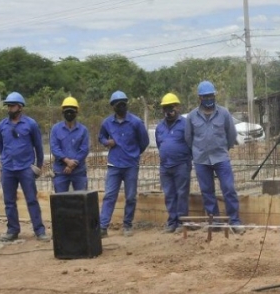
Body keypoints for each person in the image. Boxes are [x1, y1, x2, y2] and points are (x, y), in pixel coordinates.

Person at [184, 81, 245, 234]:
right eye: (205, 96)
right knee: (207, 191)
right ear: (200, 98)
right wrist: (197, 152)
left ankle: (234, 221)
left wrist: (224, 149)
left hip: (221, 158)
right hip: (201, 160)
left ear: (214, 96)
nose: (208, 99)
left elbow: (231, 135)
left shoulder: (224, 113)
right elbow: (188, 138)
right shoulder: (192, 116)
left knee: (229, 189)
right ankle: (215, 221)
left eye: (211, 95)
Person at [0, 92, 50, 242]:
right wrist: (5, 160)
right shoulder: (1, 126)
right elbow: (1, 146)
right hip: (8, 169)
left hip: (26, 168)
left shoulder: (30, 124)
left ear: (20, 107)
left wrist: (37, 167)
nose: (9, 108)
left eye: (12, 106)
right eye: (8, 106)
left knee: (32, 199)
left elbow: (38, 147)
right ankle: (12, 230)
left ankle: (39, 231)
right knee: (9, 201)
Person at [98, 91, 150, 237]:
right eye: (117, 104)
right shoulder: (107, 123)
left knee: (131, 196)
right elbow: (101, 136)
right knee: (109, 195)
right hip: (114, 164)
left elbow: (144, 141)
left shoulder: (136, 122)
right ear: (113, 106)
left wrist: (134, 153)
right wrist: (107, 142)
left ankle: (127, 225)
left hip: (131, 165)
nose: (121, 106)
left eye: (123, 103)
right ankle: (103, 226)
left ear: (126, 104)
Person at [155, 93, 192, 234]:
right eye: (165, 108)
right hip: (165, 166)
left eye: (171, 107)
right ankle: (172, 222)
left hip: (181, 165)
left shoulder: (185, 124)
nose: (168, 111)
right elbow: (160, 144)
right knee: (169, 194)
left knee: (182, 193)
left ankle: (182, 222)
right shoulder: (160, 127)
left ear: (177, 107)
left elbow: (190, 143)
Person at [50, 96, 90, 192]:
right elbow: (54, 148)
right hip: (60, 171)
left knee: (82, 201)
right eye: (66, 111)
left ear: (76, 112)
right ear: (62, 112)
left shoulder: (83, 130)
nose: (69, 113)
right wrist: (67, 161)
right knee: (60, 201)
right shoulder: (56, 129)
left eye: (72, 111)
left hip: (79, 171)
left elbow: (84, 149)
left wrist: (72, 164)